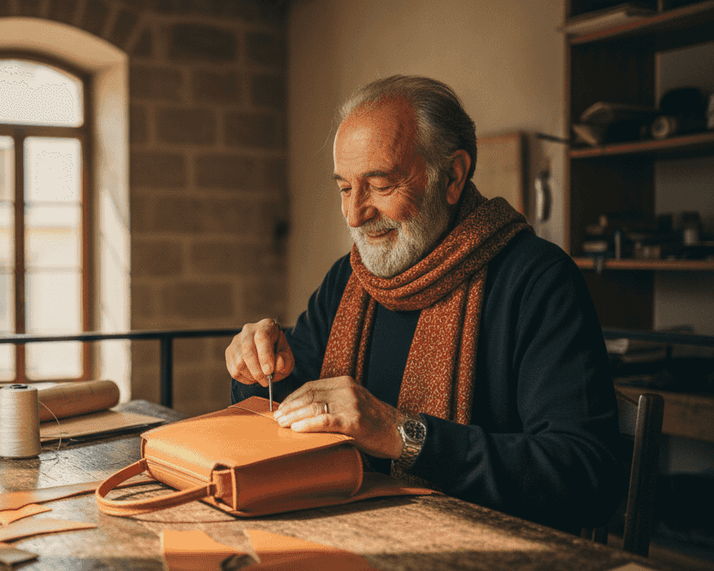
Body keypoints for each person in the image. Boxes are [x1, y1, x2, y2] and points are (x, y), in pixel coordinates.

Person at [225, 75, 623, 533]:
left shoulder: (538, 281)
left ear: (452, 176)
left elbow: (587, 478)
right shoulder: (348, 279)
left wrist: (401, 433)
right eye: (344, 188)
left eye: (380, 184)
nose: (355, 214)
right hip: (347, 535)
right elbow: (285, 406)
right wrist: (257, 370)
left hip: (493, 558)